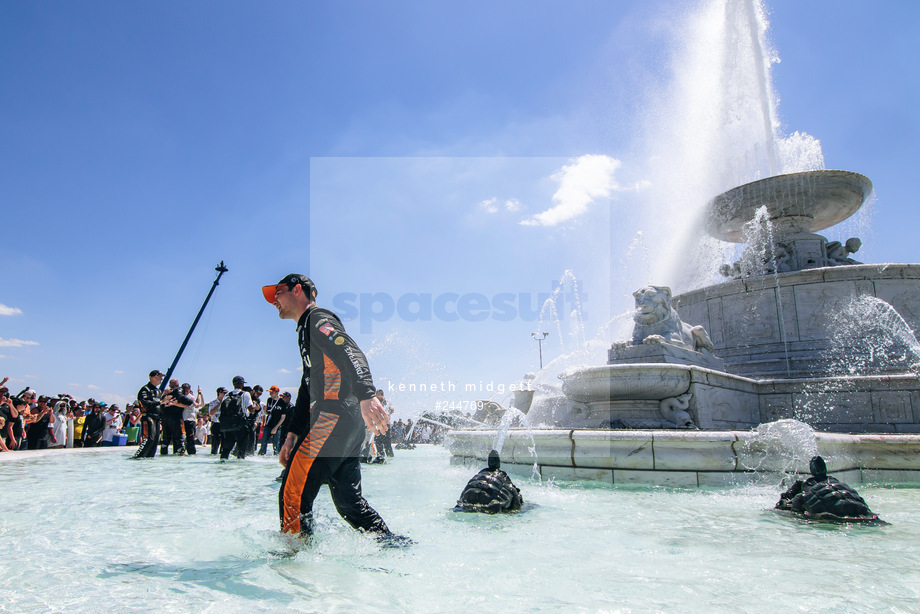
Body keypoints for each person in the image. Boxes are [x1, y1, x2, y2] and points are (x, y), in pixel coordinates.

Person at [263, 273, 397, 540]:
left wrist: (367, 394)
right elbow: (306, 387)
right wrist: (291, 434)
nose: (273, 300)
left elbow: (346, 347)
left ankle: (294, 562)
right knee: (350, 503)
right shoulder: (305, 330)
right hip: (346, 423)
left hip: (334, 418)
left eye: (277, 292)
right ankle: (394, 546)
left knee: (293, 491)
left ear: (297, 290)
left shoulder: (317, 319)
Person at [775, 455, 879, 522]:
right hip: (862, 512)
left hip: (832, 514)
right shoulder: (838, 483)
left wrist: (794, 512)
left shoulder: (803, 484)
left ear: (811, 469)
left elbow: (791, 499)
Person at [455, 450, 524, 513]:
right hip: (492, 503)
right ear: (499, 462)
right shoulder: (502, 476)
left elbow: (468, 486)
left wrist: (461, 499)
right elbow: (512, 490)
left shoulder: (479, 475)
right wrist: (517, 508)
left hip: (468, 498)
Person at [218, 376, 253, 461]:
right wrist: (255, 407)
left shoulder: (227, 395)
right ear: (241, 384)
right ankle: (239, 469)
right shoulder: (245, 394)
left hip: (228, 426)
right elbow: (251, 409)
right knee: (241, 450)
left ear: (233, 384)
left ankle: (222, 465)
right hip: (241, 425)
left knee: (226, 449)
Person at [134, 370, 164, 458]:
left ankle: (149, 458)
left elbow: (159, 405)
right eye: (160, 377)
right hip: (148, 417)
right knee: (148, 439)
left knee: (155, 441)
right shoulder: (145, 389)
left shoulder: (158, 391)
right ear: (154, 377)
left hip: (157, 418)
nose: (161, 379)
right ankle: (138, 457)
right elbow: (145, 403)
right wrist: (161, 402)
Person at [258, 385, 289, 456]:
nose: (270, 394)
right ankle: (261, 455)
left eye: (272, 392)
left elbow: (283, 417)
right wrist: (265, 410)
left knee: (275, 445)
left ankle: (276, 457)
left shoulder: (282, 402)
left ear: (276, 392)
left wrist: (276, 427)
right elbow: (268, 413)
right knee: (263, 442)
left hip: (277, 426)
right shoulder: (269, 400)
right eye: (270, 392)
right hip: (268, 425)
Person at [207, 387, 227, 455]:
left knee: (224, 442)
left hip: (223, 424)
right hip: (215, 423)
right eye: (224, 393)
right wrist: (219, 404)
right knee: (215, 442)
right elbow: (211, 413)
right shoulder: (213, 402)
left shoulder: (226, 402)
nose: (225, 394)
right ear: (220, 393)